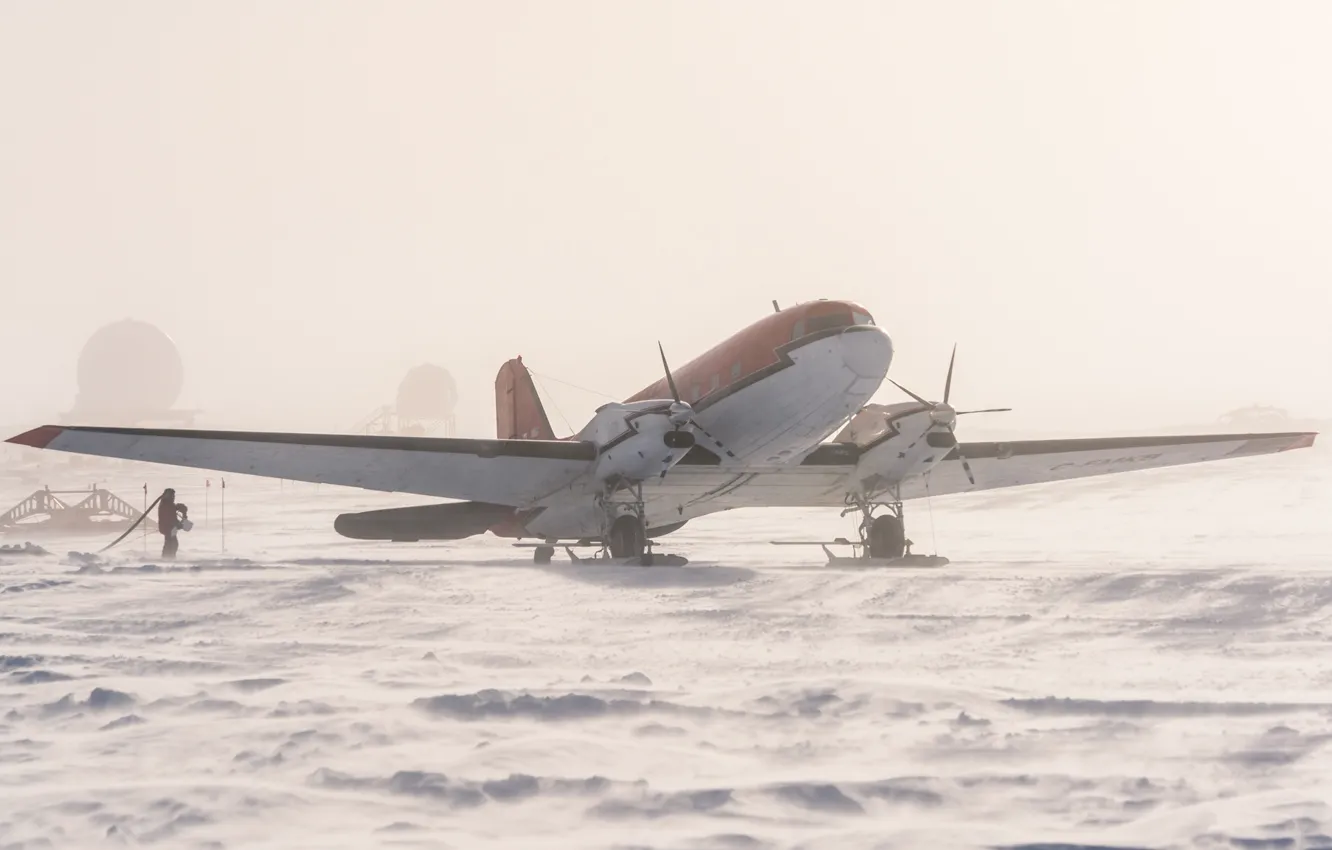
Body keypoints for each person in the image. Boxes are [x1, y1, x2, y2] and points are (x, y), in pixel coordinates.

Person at [157, 488, 190, 559]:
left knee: (171, 543)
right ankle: (168, 558)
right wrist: (180, 523)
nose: (173, 497)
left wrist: (179, 508)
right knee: (171, 544)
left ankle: (168, 558)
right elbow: (171, 518)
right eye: (172, 496)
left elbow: (172, 510)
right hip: (168, 528)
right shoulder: (167, 505)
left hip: (170, 528)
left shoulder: (167, 504)